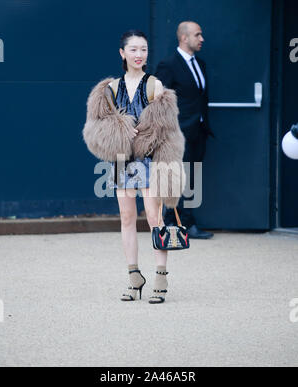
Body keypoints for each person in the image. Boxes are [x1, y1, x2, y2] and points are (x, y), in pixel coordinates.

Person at [82, 30, 186, 303]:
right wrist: (118, 132)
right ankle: (134, 277)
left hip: (150, 159)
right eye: (134, 49)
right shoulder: (111, 89)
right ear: (122, 53)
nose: (139, 55)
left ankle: (161, 277)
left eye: (143, 49)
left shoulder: (155, 85)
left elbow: (167, 132)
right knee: (127, 219)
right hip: (122, 161)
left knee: (154, 218)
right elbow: (96, 127)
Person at [155, 21, 215, 239]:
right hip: (178, 133)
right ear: (184, 38)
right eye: (198, 35)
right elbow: (158, 100)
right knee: (179, 178)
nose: (202, 39)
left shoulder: (200, 64)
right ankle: (181, 224)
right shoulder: (168, 65)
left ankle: (178, 222)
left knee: (191, 178)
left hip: (198, 130)